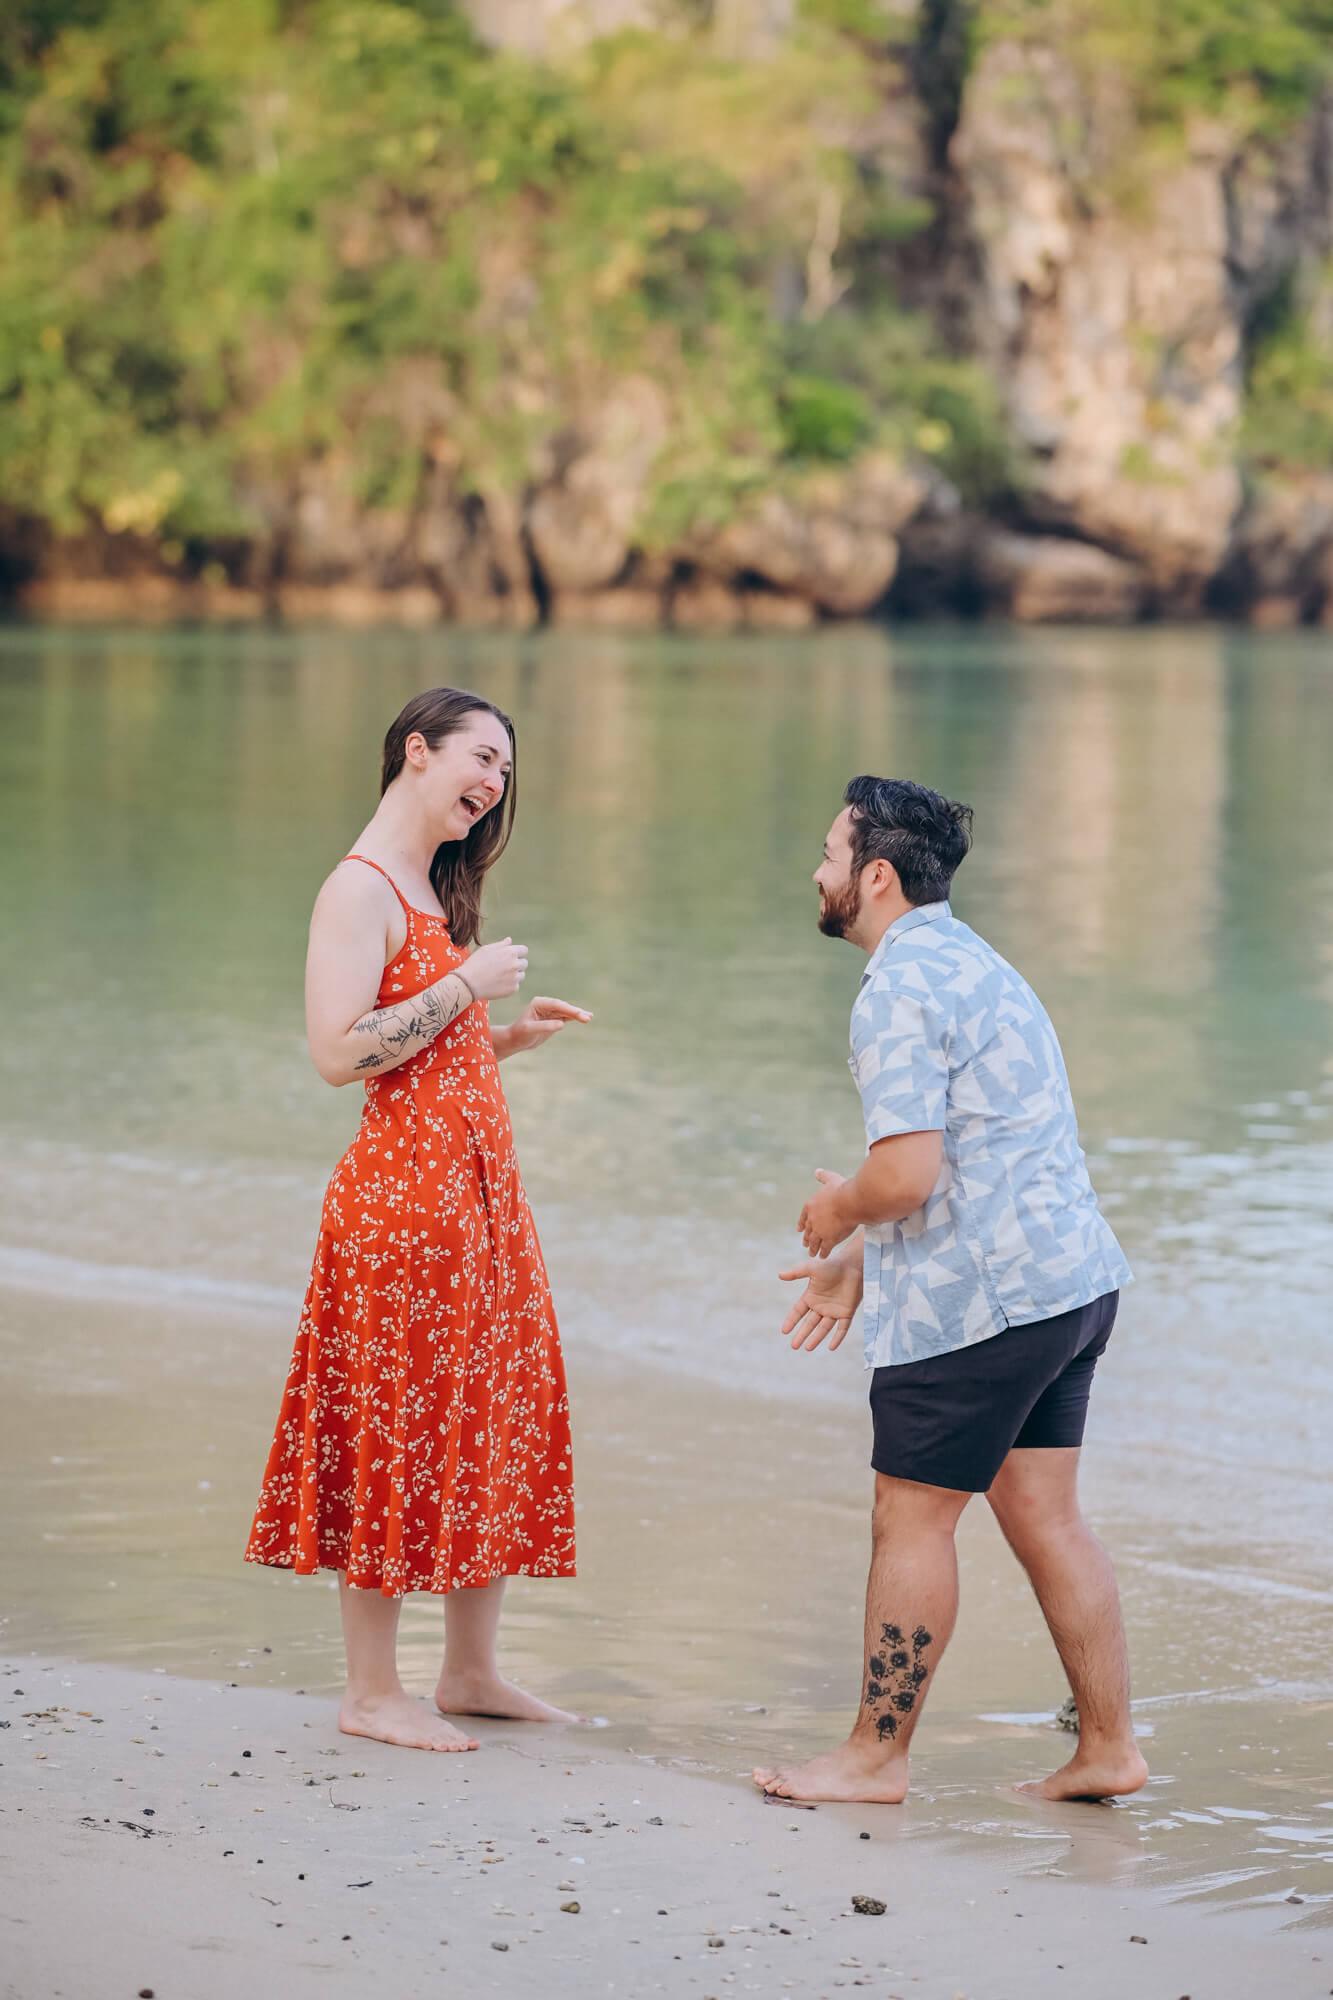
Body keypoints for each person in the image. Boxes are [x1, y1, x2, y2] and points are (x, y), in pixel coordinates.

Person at [754, 777, 1145, 1806]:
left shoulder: (894, 987)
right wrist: (864, 1262)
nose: (818, 872)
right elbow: (990, 1151)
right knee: (1047, 1515)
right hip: (1069, 1286)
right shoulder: (977, 961)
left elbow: (907, 1175)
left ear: (875, 875)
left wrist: (840, 1211)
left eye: (829, 854)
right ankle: (1107, 1748)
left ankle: (874, 1756)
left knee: (911, 1518)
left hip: (979, 1309)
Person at [246, 687, 591, 1753]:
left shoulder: (429, 888)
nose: (492, 783)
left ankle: (471, 1670)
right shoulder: (357, 888)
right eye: (480, 757)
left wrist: (503, 1037)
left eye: (504, 770)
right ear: (416, 751)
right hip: (400, 1209)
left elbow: (417, 1057)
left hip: (476, 1203)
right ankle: (370, 1690)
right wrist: (467, 987)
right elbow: (337, 1052)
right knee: (394, 1426)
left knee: (490, 1411)